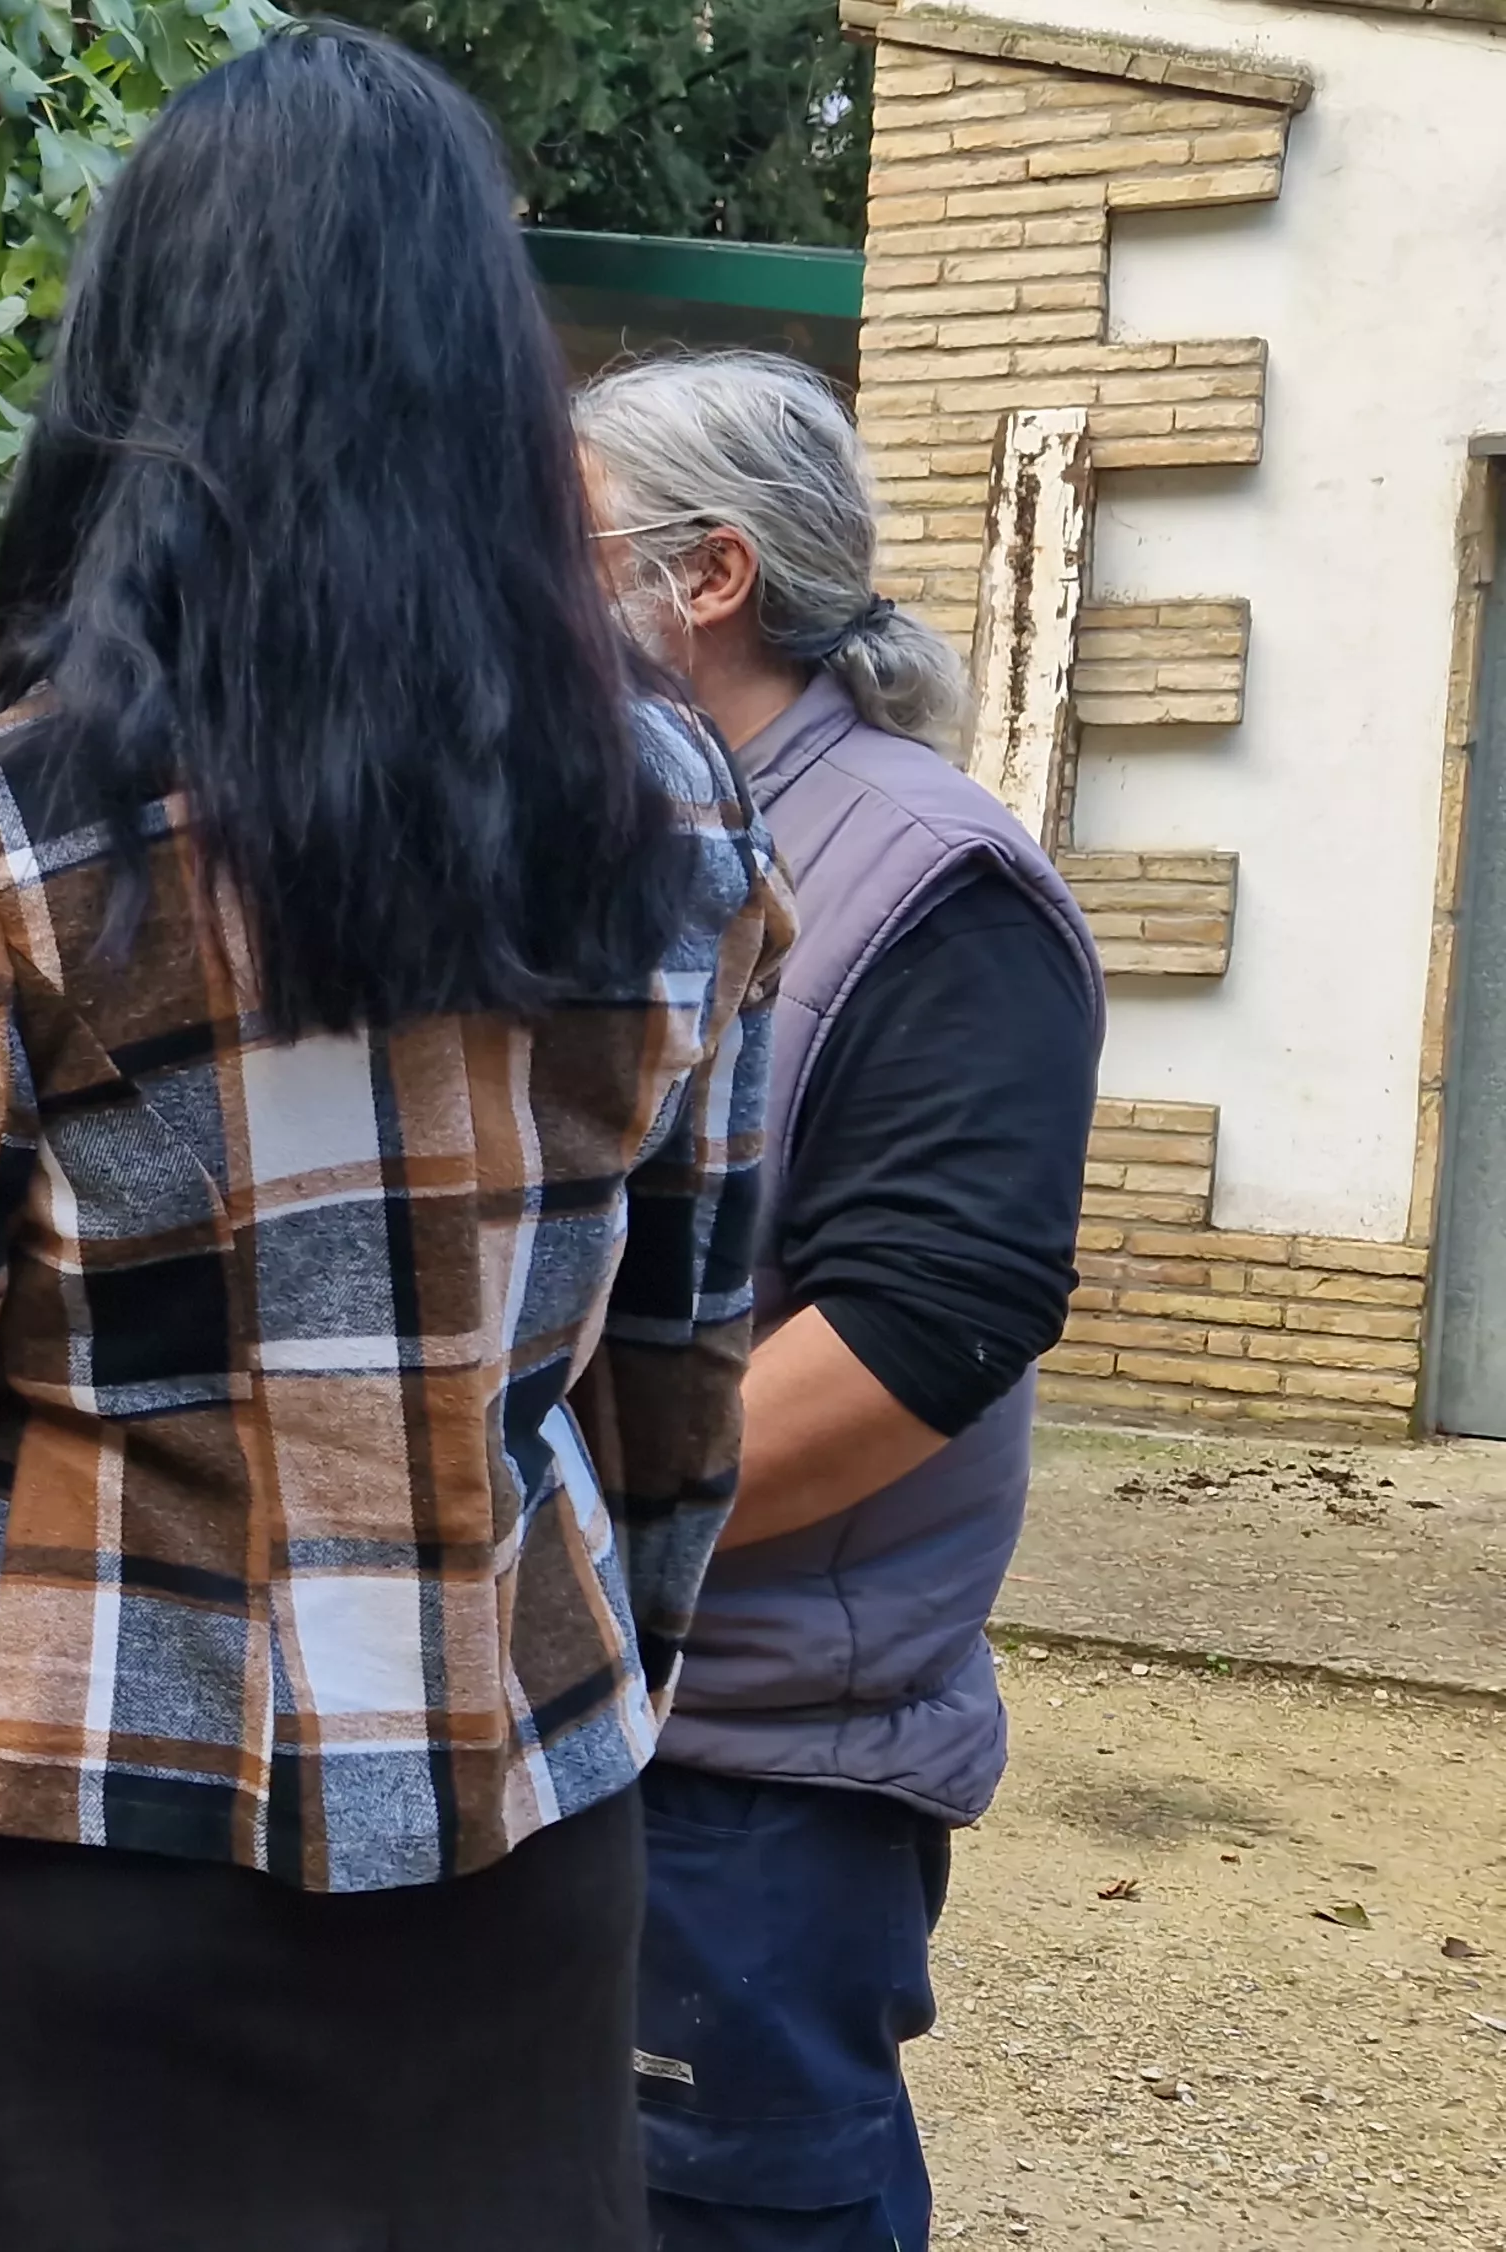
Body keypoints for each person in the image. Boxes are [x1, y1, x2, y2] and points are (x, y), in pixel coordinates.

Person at [0, 29, 797, 2248]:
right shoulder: (673, 797)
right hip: (515, 1838)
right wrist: (576, 1680)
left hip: (64, 1850)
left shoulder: (9, 815)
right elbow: (679, 1357)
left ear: (131, 353)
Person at [580, 351, 1104, 2251]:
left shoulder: (932, 878)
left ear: (704, 576)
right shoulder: (622, 839)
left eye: (552, 538)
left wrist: (540, 1530)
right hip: (570, 1720)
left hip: (751, 1778)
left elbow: (919, 1337)